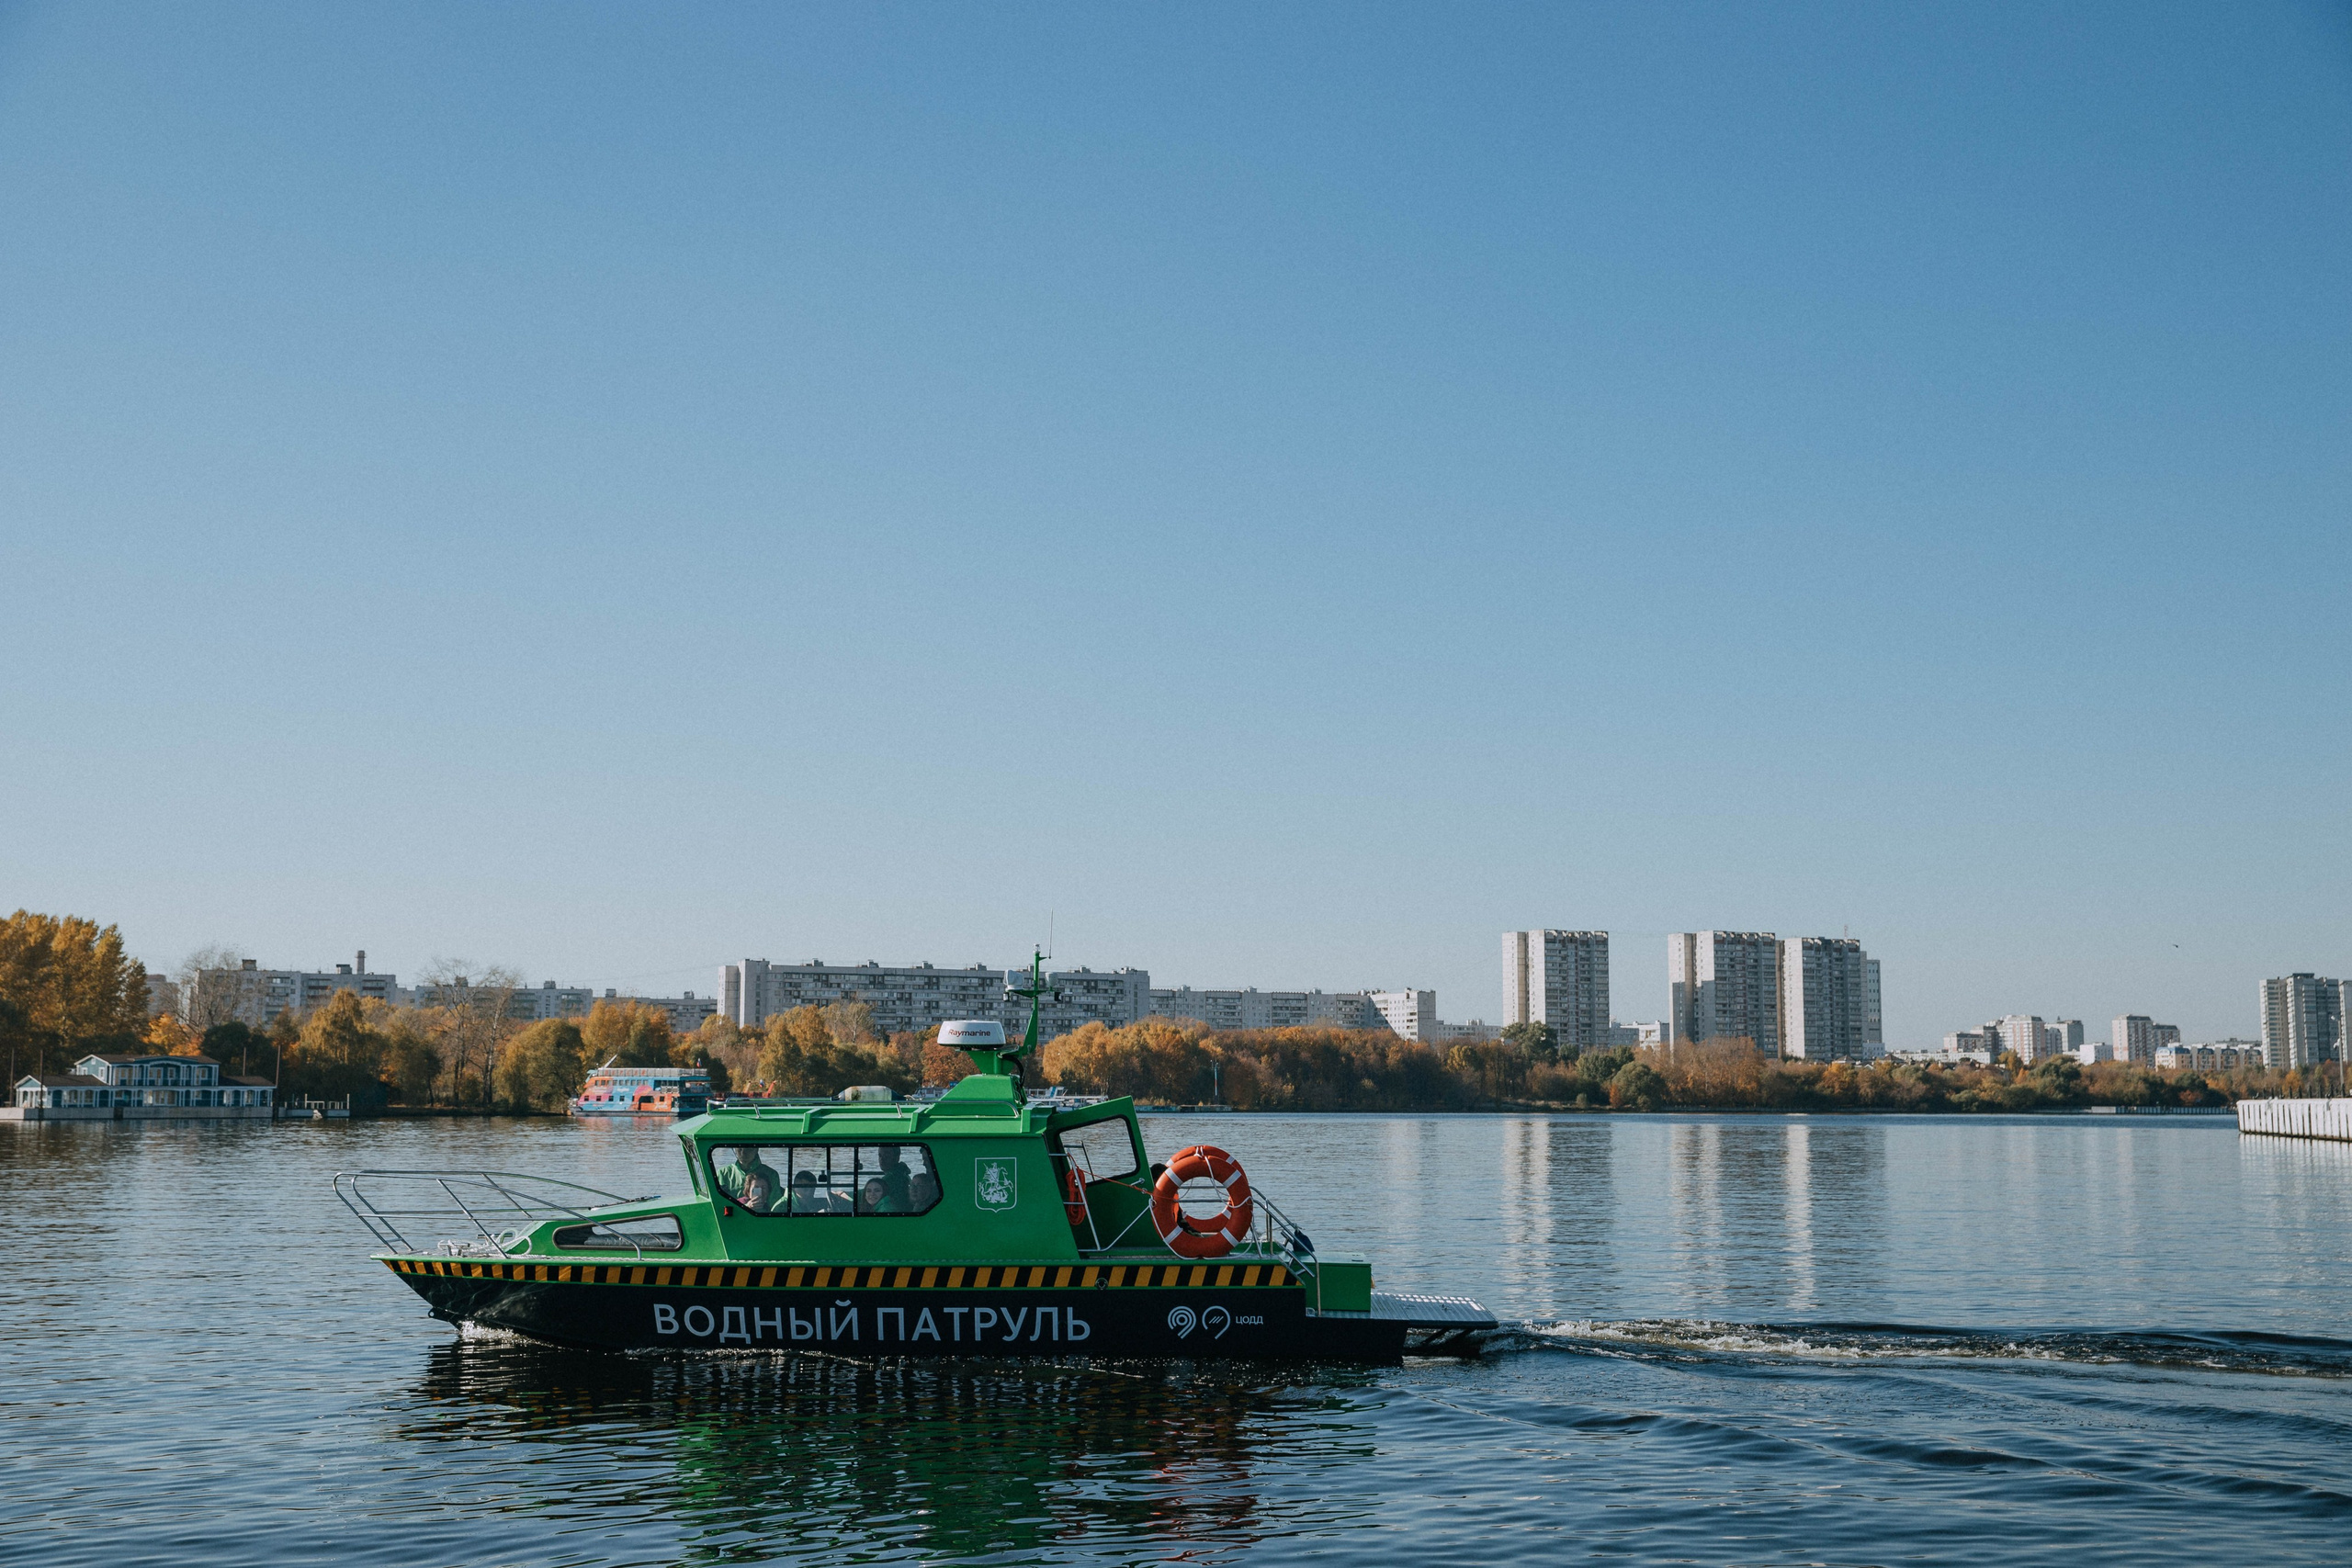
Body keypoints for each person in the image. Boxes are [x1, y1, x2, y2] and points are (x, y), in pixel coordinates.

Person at [716, 1147, 780, 1213]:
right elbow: (718, 1207)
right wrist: (746, 1207)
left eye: (748, 1149)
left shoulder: (771, 1174)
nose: (743, 1153)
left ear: (756, 1150)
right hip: (731, 1217)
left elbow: (776, 1208)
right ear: (735, 1150)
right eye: (739, 1149)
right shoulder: (722, 1173)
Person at [876, 1145, 914, 1213]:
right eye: (880, 1155)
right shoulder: (903, 1173)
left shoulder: (890, 1179)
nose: (882, 1159)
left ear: (897, 1157)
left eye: (886, 1155)